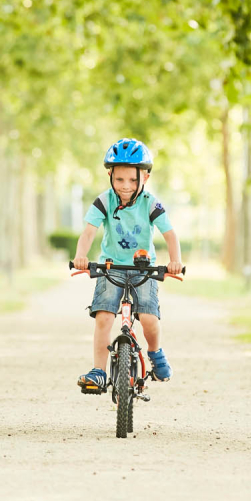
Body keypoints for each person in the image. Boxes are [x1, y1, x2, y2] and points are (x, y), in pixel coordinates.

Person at [71, 138, 183, 393]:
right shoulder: (104, 201)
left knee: (148, 318)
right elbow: (89, 232)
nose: (126, 186)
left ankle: (155, 353)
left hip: (144, 269)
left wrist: (175, 261)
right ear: (110, 176)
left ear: (145, 178)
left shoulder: (151, 203)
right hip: (111, 268)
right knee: (104, 318)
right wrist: (81, 255)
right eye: (119, 179)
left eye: (133, 180)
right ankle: (99, 371)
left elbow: (170, 234)